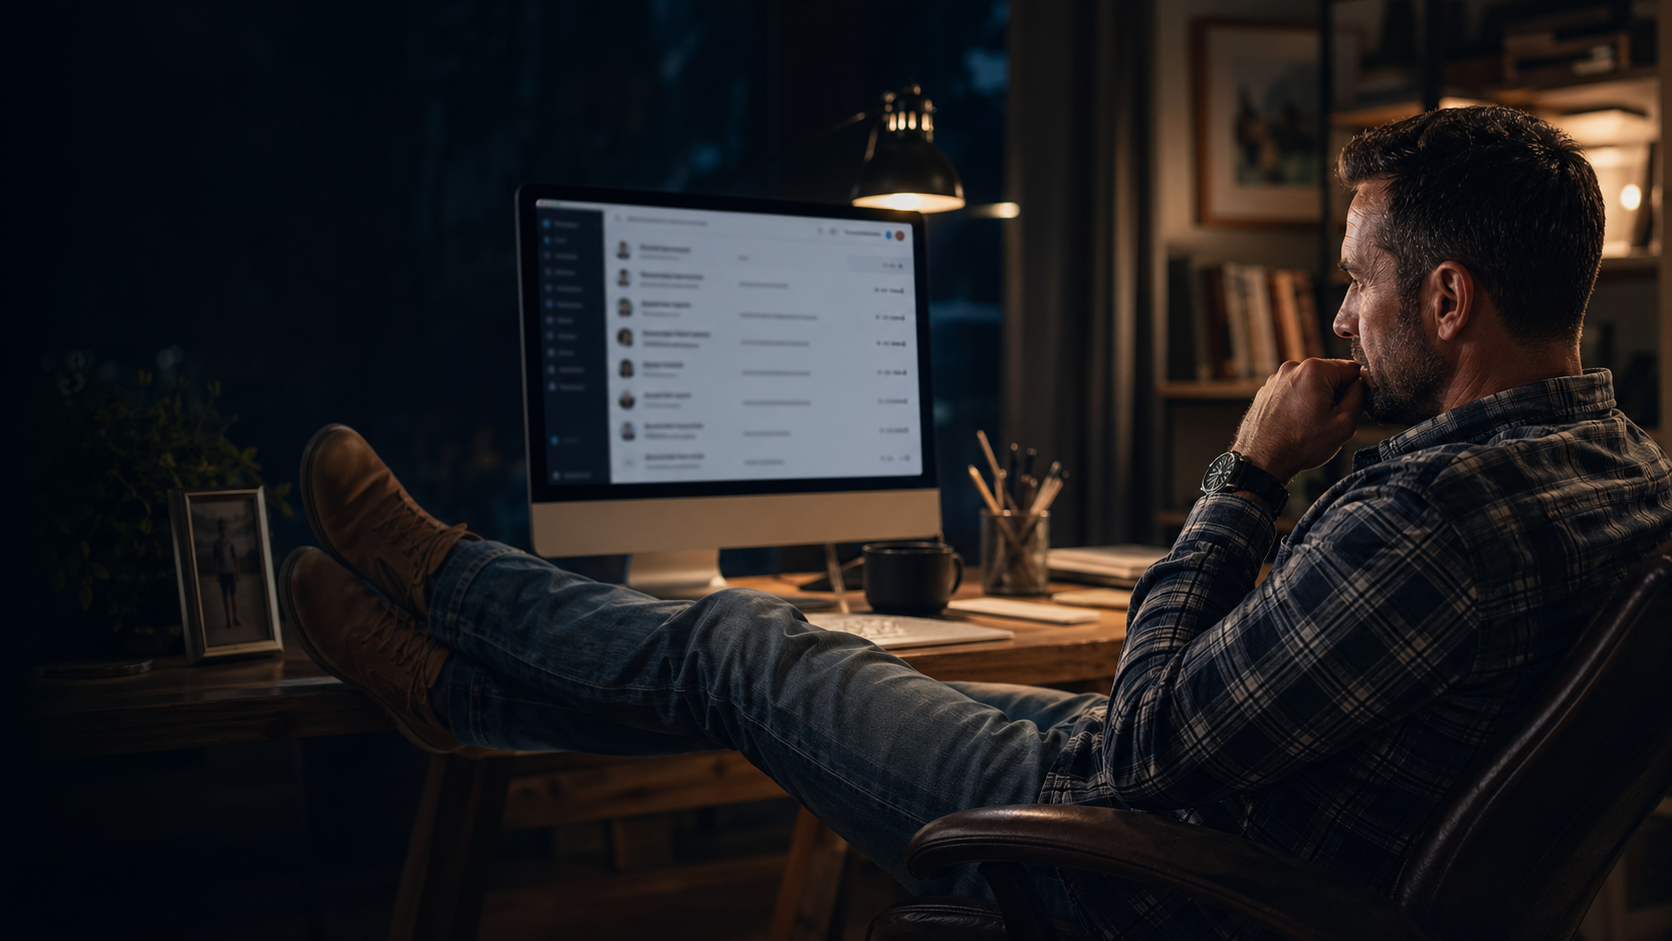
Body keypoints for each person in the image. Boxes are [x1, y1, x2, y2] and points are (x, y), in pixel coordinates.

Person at [281, 107, 1672, 939]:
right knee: (804, 665)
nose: (1333, 321)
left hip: (1149, 867)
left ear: (1445, 300)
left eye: (1358, 284)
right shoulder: (1623, 472)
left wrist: (1245, 477)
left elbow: (1140, 747)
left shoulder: (1435, 516)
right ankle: (457, 686)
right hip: (1229, 816)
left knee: (747, 646)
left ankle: (446, 585)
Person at [210, 517, 242, 628]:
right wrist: (217, 573)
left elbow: (235, 557)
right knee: (225, 597)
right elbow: (216, 560)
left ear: (226, 529)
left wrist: (237, 572)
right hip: (223, 573)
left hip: (231, 573)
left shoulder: (230, 544)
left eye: (224, 528)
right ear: (219, 530)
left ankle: (235, 617)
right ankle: (228, 618)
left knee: (233, 596)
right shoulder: (216, 544)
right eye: (221, 529)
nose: (223, 530)